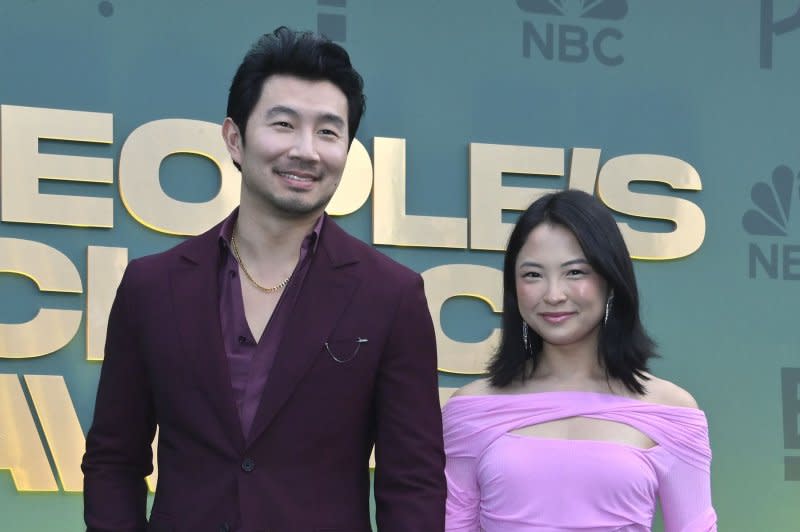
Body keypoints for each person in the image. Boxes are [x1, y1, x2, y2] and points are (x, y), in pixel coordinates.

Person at [82, 27, 445, 532]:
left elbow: (413, 481)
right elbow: (113, 459)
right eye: (283, 124)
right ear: (235, 138)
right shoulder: (152, 286)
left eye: (328, 131)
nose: (306, 150)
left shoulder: (391, 295)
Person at [443, 190, 716, 531]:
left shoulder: (670, 410)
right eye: (532, 275)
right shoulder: (473, 408)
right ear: (514, 288)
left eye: (574, 273)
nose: (554, 294)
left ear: (610, 280)